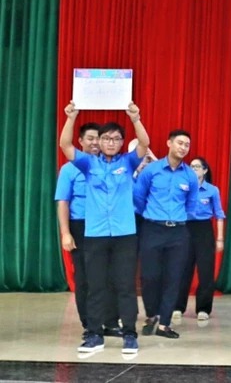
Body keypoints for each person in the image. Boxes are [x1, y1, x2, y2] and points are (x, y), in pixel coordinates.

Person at [59, 101, 149, 355]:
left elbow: (144, 143)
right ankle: (94, 335)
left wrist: (135, 118)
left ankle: (129, 334)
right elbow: (65, 145)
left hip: (124, 235)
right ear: (99, 141)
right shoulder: (88, 163)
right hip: (95, 234)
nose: (111, 142)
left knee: (125, 286)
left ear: (122, 142)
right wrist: (71, 117)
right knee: (95, 286)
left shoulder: (128, 162)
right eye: (106, 138)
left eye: (116, 139)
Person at [55, 122, 123, 340]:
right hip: (81, 226)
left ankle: (111, 322)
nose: (95, 143)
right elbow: (63, 202)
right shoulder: (69, 169)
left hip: (107, 226)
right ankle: (89, 323)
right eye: (90, 138)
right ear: (81, 141)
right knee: (85, 277)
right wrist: (66, 233)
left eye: (98, 139)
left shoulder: (109, 166)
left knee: (111, 275)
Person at [134, 130, 199, 339]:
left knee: (174, 277)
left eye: (187, 144)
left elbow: (191, 205)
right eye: (180, 143)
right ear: (169, 143)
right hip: (152, 229)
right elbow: (138, 198)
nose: (183, 147)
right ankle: (151, 315)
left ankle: (164, 323)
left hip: (178, 232)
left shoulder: (190, 175)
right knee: (149, 276)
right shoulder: (151, 171)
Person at [173, 156, 225, 324]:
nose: (193, 169)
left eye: (196, 166)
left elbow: (219, 215)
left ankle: (203, 308)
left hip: (204, 230)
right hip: (185, 228)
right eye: (191, 166)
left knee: (206, 271)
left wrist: (220, 238)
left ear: (205, 170)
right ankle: (177, 307)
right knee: (182, 270)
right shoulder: (184, 188)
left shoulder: (212, 190)